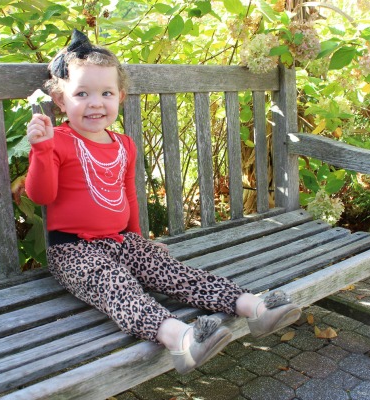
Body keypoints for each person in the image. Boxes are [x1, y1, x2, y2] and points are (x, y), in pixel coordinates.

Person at [25, 29, 301, 374]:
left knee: (172, 271)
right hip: (74, 251)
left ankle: (254, 307)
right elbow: (42, 196)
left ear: (120, 96)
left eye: (106, 93)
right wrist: (41, 150)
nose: (96, 103)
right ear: (60, 100)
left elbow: (128, 196)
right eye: (82, 93)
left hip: (121, 242)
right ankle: (181, 339)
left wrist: (140, 243)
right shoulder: (56, 141)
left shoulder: (123, 145)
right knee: (116, 285)